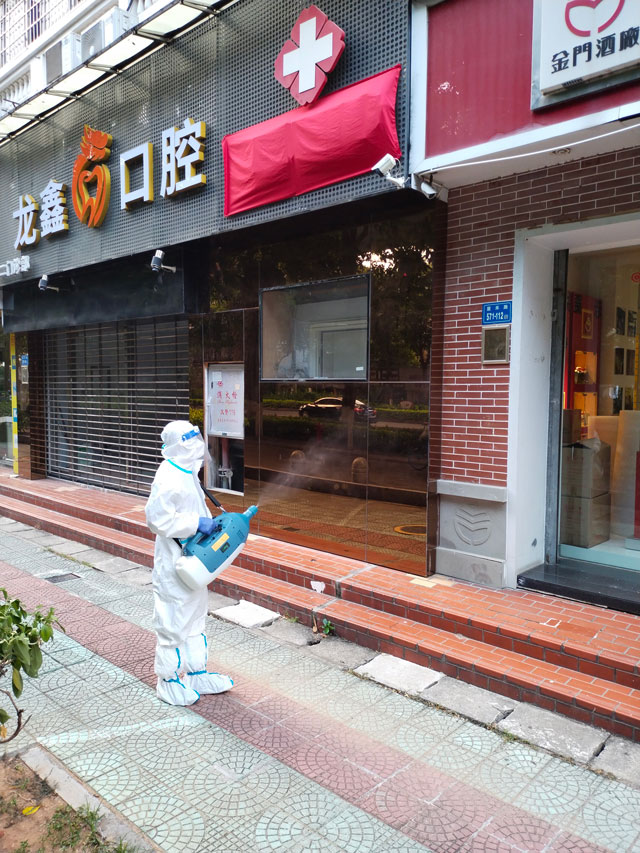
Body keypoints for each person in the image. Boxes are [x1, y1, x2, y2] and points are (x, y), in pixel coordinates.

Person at [145, 420, 234, 706]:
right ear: (178, 446)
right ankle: (168, 681)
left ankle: (197, 674)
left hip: (194, 562)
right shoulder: (168, 476)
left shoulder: (188, 473)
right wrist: (197, 523)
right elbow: (157, 520)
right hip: (174, 566)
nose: (198, 445)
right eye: (191, 440)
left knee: (195, 619)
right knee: (172, 623)